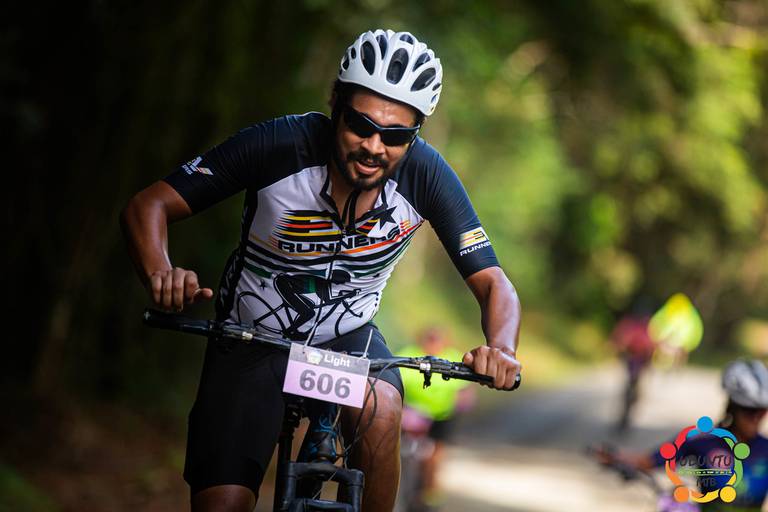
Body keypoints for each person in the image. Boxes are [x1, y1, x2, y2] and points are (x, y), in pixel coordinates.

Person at [121, 29, 522, 512]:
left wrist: (502, 349)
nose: (374, 146)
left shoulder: (426, 174)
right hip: (253, 336)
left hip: (346, 342)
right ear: (335, 104)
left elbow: (493, 282)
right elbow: (149, 205)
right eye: (360, 125)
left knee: (381, 406)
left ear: (415, 135)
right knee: (223, 504)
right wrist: (161, 271)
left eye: (396, 136)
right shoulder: (280, 145)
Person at [597, 359, 768, 511]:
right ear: (733, 407)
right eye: (749, 411)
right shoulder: (702, 440)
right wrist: (616, 457)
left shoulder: (765, 447)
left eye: (762, 411)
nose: (756, 418)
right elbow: (649, 461)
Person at [397, 327, 476, 510]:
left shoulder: (453, 358)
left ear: (444, 342)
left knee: (435, 457)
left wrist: (463, 401)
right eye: (429, 340)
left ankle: (430, 492)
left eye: (436, 340)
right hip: (413, 416)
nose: (432, 344)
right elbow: (395, 380)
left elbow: (465, 390)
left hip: (442, 415)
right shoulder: (409, 355)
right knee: (399, 453)